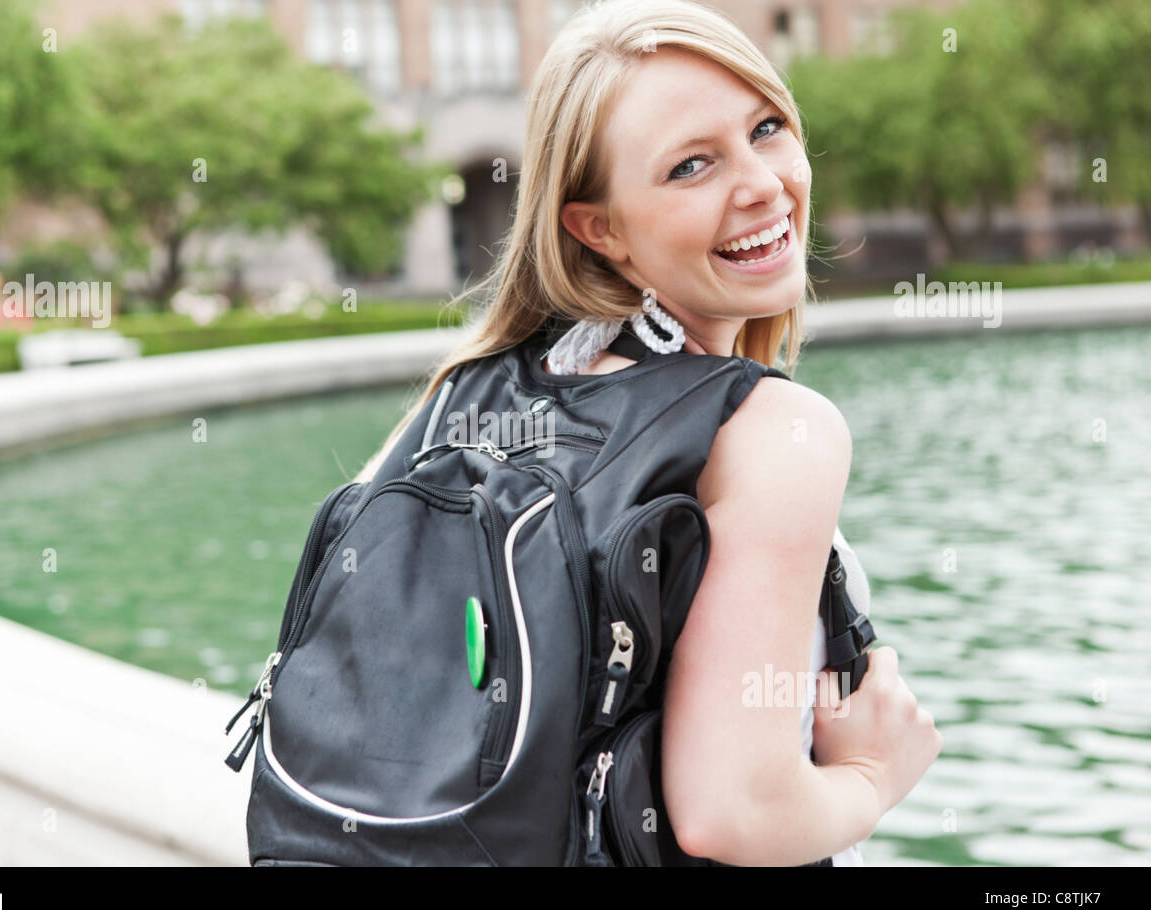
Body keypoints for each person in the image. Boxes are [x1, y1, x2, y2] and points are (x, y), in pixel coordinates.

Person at [353, 0, 941, 866]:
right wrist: (871, 776)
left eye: (768, 127)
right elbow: (729, 813)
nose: (763, 184)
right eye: (691, 165)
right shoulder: (771, 428)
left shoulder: (458, 401)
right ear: (599, 229)